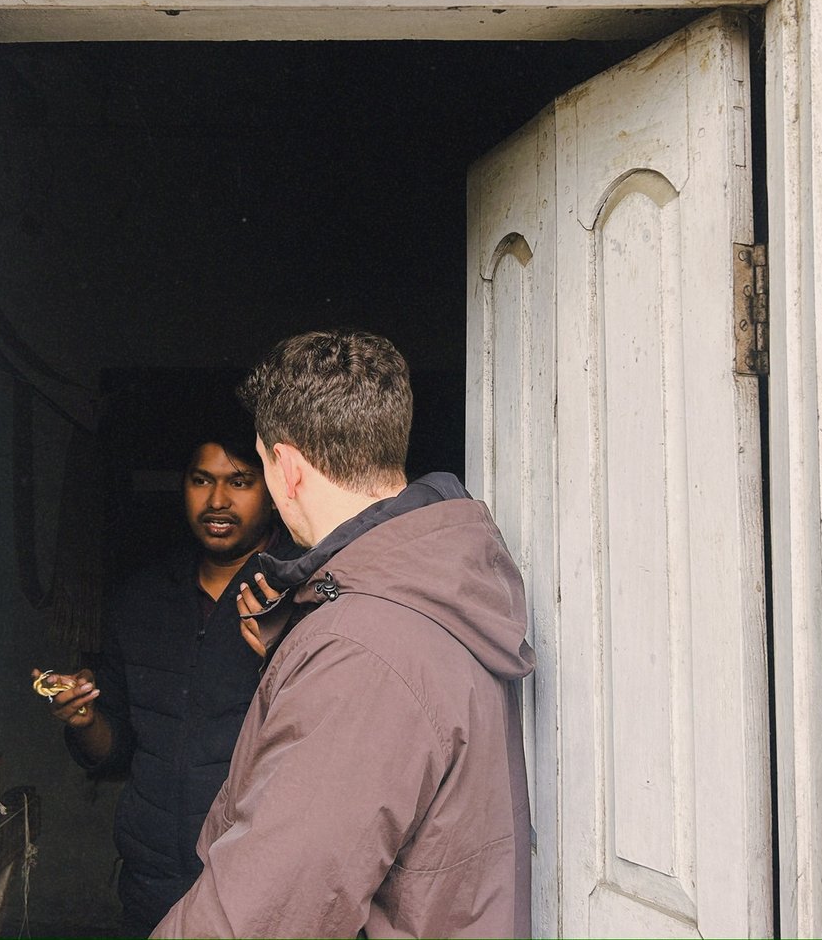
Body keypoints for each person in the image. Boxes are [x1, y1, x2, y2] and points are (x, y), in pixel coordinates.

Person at [153, 330, 535, 939]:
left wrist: (327, 651)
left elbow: (260, 918)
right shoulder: (423, 587)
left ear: (288, 468)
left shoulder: (363, 653)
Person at [36, 433, 300, 936]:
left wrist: (283, 649)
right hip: (152, 884)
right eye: (201, 480)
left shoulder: (300, 594)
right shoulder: (143, 598)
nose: (217, 500)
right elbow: (115, 750)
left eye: (239, 482)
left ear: (271, 492)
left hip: (263, 888)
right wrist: (85, 719)